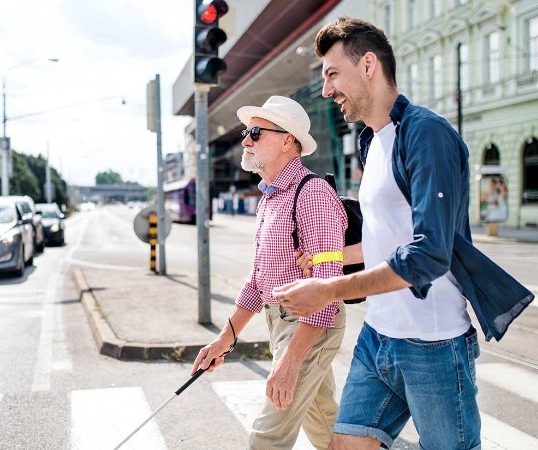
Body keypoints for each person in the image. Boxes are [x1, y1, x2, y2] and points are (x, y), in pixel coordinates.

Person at [273, 17, 484, 450]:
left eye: (332, 74)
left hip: (434, 344)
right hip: (379, 336)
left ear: (368, 65)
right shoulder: (373, 141)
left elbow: (429, 255)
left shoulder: (426, 134)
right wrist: (322, 262)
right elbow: (382, 238)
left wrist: (329, 289)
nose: (327, 89)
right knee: (345, 445)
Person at [191, 95, 348, 449]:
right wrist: (224, 339)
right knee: (325, 426)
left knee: (267, 438)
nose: (245, 140)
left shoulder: (313, 194)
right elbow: (258, 279)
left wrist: (291, 360)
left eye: (256, 132)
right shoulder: (270, 199)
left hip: (309, 326)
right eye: (248, 132)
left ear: (287, 140)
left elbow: (327, 285)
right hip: (281, 322)